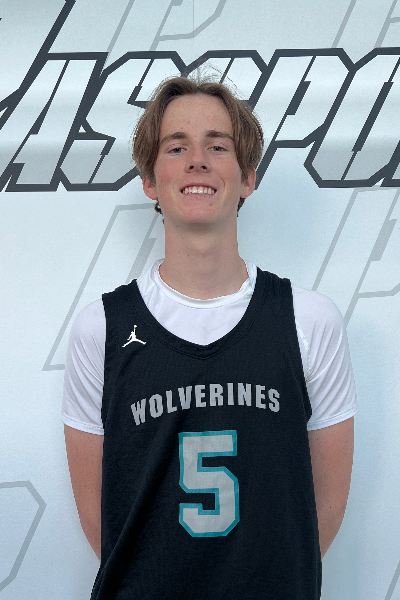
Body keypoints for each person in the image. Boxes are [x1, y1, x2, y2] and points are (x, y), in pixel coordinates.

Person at [63, 76, 358, 599]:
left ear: (247, 177)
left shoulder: (310, 320)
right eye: (176, 147)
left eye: (218, 146)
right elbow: (102, 520)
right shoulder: (101, 329)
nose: (197, 161)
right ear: (149, 179)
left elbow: (322, 512)